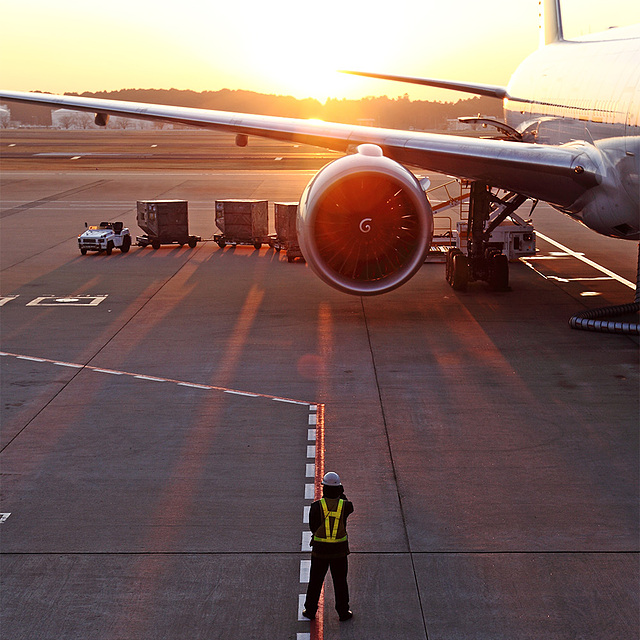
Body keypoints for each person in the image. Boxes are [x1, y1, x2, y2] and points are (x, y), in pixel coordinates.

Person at [303, 471, 354, 622]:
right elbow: (347, 504)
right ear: (339, 489)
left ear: (324, 489)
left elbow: (313, 527)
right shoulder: (346, 506)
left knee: (315, 582)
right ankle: (343, 612)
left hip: (320, 552)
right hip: (339, 552)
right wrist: (341, 494)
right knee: (340, 582)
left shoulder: (316, 507)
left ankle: (310, 611)